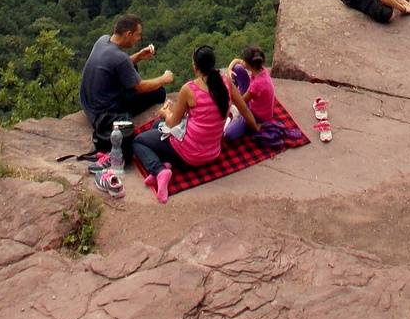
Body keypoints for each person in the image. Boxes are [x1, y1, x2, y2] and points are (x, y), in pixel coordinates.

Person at [132, 45, 251, 203]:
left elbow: (173, 122)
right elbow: (243, 108)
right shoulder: (225, 82)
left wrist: (166, 113)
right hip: (213, 152)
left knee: (138, 141)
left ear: (195, 67)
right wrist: (255, 126)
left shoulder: (189, 89)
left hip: (189, 155)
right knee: (157, 127)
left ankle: (159, 170)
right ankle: (166, 164)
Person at [79, 14, 174, 158]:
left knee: (134, 72)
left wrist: (138, 57)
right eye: (137, 35)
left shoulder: (103, 40)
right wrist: (163, 79)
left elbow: (116, 66)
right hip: (105, 111)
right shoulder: (120, 58)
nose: (139, 39)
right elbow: (140, 87)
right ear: (128, 34)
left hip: (88, 104)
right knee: (158, 92)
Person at [228, 45, 274, 135]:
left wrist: (229, 86)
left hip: (258, 115)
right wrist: (229, 70)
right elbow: (236, 61)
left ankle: (236, 114)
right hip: (253, 101)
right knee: (237, 68)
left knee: (229, 134)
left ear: (248, 65)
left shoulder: (257, 85)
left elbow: (241, 101)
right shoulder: (261, 69)